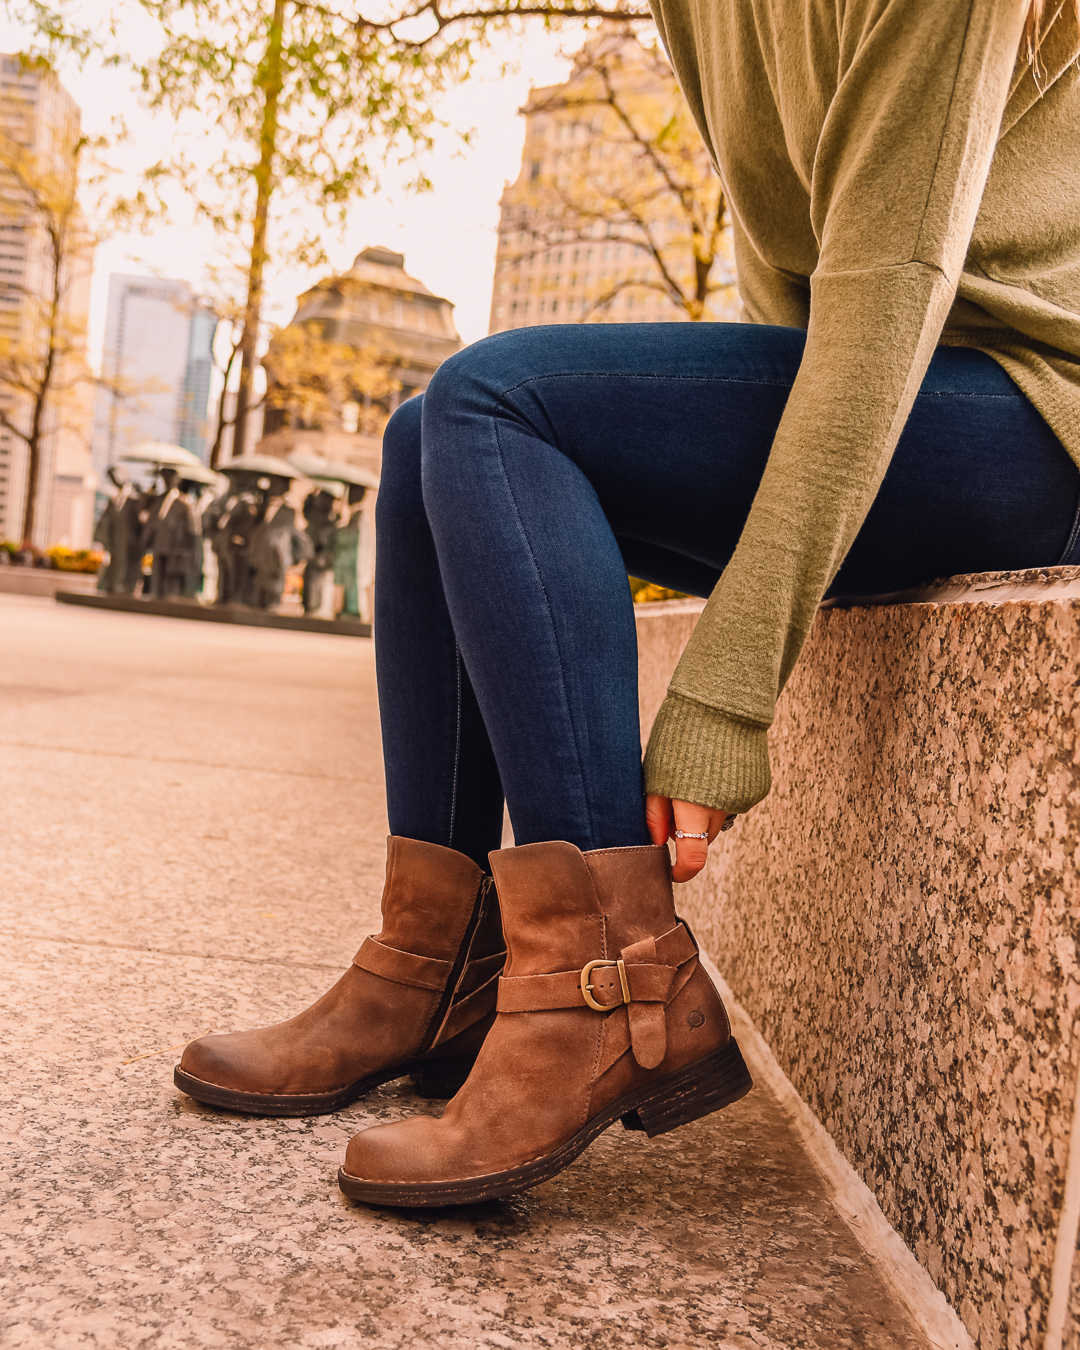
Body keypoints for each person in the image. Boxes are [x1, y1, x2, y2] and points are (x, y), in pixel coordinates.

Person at [176, 0, 1080, 1208]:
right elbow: (793, 269)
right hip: (881, 394)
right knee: (424, 437)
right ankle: (430, 969)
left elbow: (885, 291)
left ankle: (613, 987)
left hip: (1028, 410)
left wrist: (729, 682)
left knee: (496, 399)